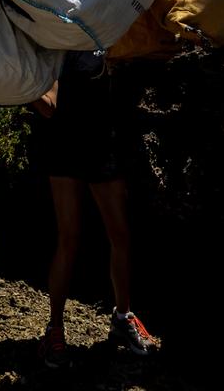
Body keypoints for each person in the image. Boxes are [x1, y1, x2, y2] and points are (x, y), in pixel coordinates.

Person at [31, 52, 160, 369]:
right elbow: (47, 107)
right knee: (69, 240)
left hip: (102, 144)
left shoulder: (100, 34)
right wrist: (25, 88)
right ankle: (55, 330)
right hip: (63, 148)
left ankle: (122, 317)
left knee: (120, 235)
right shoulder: (50, 44)